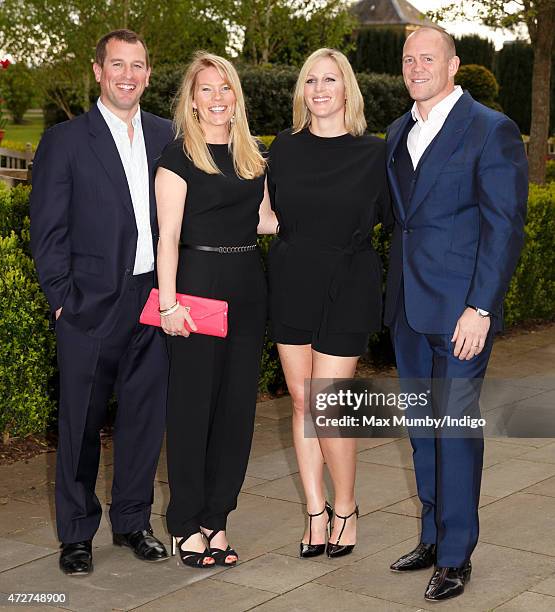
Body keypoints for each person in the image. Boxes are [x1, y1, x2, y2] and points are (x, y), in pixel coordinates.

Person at [384, 27, 528, 602]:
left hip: (461, 314)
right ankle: (430, 535)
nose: (417, 67)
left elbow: (504, 227)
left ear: (454, 65)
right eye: (409, 59)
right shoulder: (399, 131)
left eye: (428, 58)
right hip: (408, 312)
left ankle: (455, 554)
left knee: (455, 431)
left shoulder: (491, 129)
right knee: (422, 433)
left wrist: (482, 307)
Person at [30, 30, 173, 576]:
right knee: (80, 423)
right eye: (118, 65)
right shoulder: (65, 141)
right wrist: (63, 300)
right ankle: (76, 533)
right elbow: (47, 231)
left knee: (144, 418)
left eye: (138, 65)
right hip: (89, 305)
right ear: (98, 71)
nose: (128, 75)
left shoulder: (167, 134)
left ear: (148, 73)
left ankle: (134, 521)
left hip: (154, 299)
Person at [267, 48, 391, 559]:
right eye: (311, 80)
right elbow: (266, 216)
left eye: (330, 80)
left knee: (330, 406)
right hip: (292, 278)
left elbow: (399, 219)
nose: (319, 89)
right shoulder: (284, 148)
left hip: (348, 279)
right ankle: (315, 513)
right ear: (303, 91)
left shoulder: (375, 152)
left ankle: (347, 506)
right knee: (301, 401)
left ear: (347, 90)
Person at [155, 51, 276, 568]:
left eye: (225, 88)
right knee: (192, 412)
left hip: (248, 285)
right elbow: (169, 238)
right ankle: (185, 524)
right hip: (197, 287)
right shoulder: (178, 156)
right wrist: (167, 304)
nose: (218, 98)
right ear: (192, 99)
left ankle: (216, 520)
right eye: (207, 89)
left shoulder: (255, 155)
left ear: (237, 97)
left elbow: (268, 220)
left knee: (235, 413)